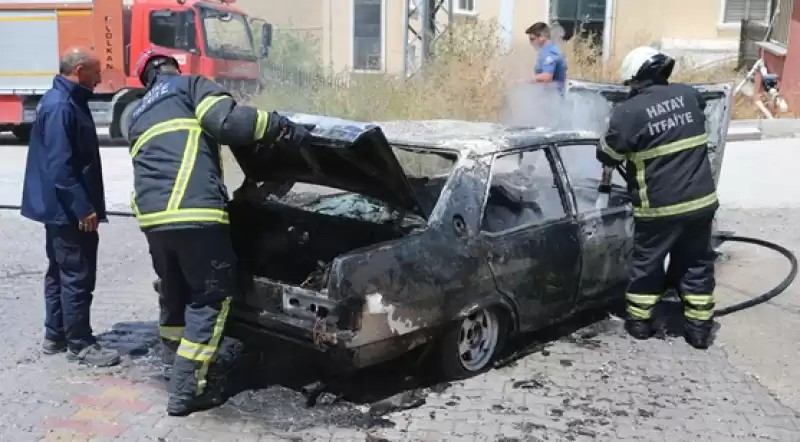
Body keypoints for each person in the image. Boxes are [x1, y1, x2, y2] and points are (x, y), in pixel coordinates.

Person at [127, 49, 312, 416]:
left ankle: (174, 366)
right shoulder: (190, 86)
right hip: (196, 213)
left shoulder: (136, 114)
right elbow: (228, 123)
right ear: (172, 67)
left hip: (154, 221)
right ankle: (186, 391)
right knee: (210, 297)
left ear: (146, 78)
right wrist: (280, 126)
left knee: (174, 291)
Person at [596, 46, 719, 350]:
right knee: (697, 264)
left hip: (659, 208)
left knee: (648, 264)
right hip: (700, 204)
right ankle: (699, 332)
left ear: (635, 79)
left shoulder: (628, 112)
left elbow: (608, 155)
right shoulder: (690, 95)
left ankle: (639, 323)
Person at [20, 47, 121, 367]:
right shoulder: (62, 105)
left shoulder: (62, 100)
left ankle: (57, 335)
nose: (100, 78)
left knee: (60, 272)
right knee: (77, 273)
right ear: (78, 71)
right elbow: (60, 167)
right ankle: (80, 343)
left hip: (60, 207)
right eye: (95, 72)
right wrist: (82, 208)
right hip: (68, 209)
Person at [526, 22, 568, 95]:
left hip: (552, 100)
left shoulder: (549, 52)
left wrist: (524, 81)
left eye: (532, 39)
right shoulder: (552, 49)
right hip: (552, 98)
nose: (531, 43)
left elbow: (547, 76)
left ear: (542, 37)